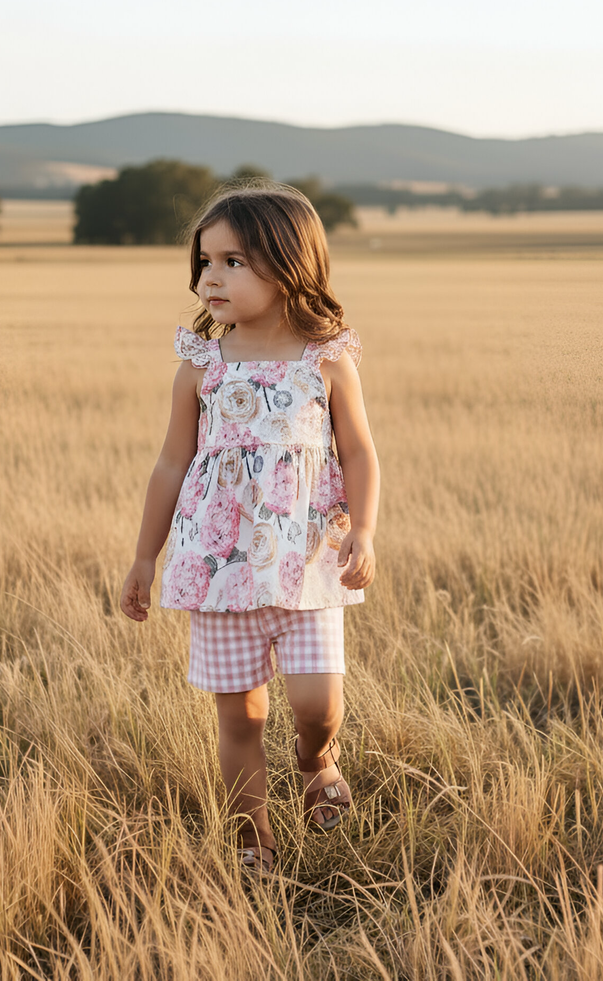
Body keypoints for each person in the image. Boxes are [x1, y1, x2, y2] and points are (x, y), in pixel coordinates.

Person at [120, 184, 380, 876]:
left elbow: (358, 451)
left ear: (289, 264)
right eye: (204, 261)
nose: (210, 277)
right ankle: (252, 836)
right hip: (218, 570)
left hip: (306, 566)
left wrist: (366, 531)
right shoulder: (201, 368)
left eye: (232, 260)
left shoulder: (324, 360)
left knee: (317, 704)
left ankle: (316, 759)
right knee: (239, 720)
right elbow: (172, 463)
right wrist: (145, 558)